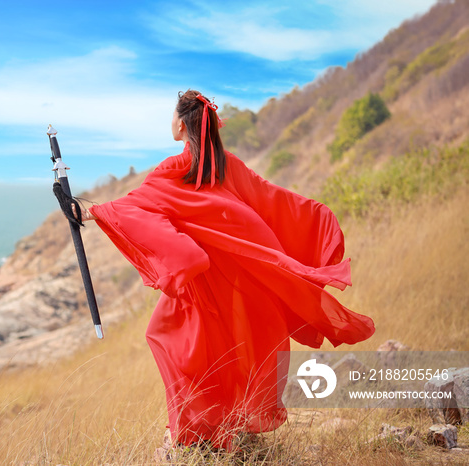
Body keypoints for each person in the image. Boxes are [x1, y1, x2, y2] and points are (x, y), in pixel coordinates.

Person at [81, 90, 375, 450]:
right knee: (231, 343)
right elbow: (271, 198)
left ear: (180, 123)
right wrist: (317, 215)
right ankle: (223, 425)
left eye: (171, 117)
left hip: (203, 278)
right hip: (237, 273)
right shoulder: (224, 162)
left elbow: (137, 206)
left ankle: (199, 427)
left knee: (169, 336)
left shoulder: (175, 167)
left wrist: (91, 212)